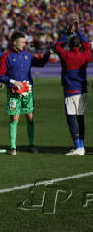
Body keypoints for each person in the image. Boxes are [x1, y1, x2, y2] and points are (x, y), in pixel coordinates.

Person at [0, 32, 51, 155]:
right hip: (13, 92)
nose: (24, 44)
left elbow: (41, 63)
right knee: (14, 118)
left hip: (27, 92)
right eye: (22, 42)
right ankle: (13, 147)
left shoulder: (28, 55)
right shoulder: (6, 56)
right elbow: (0, 76)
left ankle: (31, 144)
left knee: (30, 117)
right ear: (14, 42)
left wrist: (47, 55)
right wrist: (12, 82)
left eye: (24, 42)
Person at [54, 20, 91, 156]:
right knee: (80, 119)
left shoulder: (66, 54)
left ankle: (78, 147)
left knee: (71, 119)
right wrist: (79, 31)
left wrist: (67, 33)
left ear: (69, 45)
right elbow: (87, 44)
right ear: (80, 45)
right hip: (82, 90)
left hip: (70, 90)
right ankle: (81, 146)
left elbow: (57, 46)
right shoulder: (85, 54)